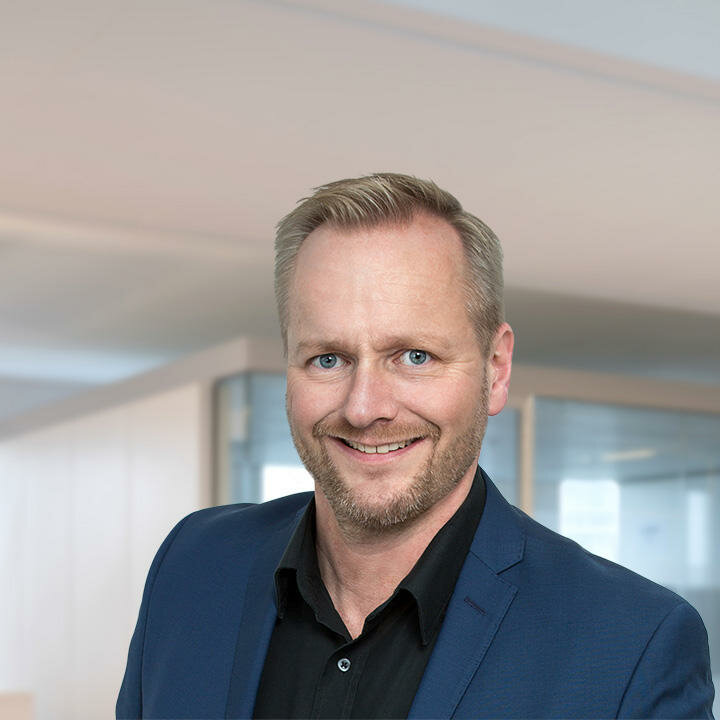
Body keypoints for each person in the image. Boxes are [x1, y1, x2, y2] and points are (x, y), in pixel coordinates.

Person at [117, 173, 714, 719]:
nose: (363, 407)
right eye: (328, 358)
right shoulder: (193, 565)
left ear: (496, 369)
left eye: (414, 356)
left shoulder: (630, 648)